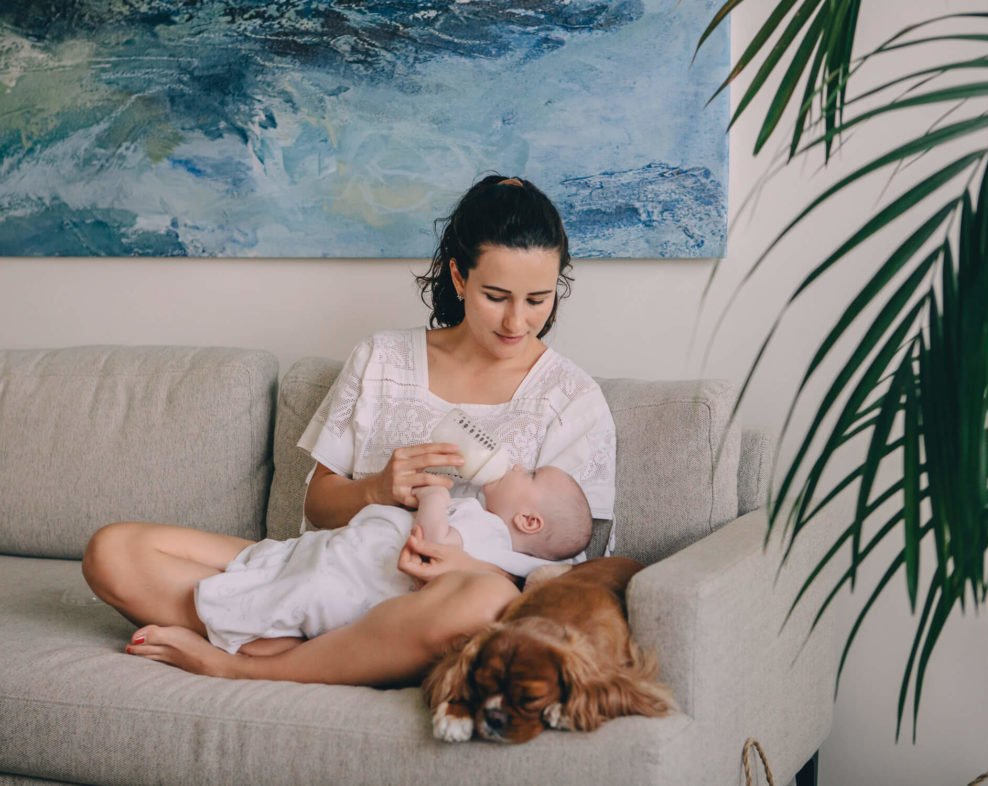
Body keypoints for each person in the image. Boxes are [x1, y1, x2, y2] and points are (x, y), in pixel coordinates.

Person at [82, 173, 617, 686]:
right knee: (112, 553)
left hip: (433, 606)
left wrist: (467, 566)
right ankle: (323, 646)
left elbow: (563, 570)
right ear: (459, 277)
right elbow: (318, 506)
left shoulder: (571, 398)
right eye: (496, 297)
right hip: (331, 567)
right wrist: (377, 489)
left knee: (483, 606)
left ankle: (244, 666)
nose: (517, 322)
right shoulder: (382, 358)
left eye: (538, 300)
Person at [194, 465, 592, 654]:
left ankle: (242, 630)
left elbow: (432, 544)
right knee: (292, 592)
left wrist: (434, 497)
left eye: (531, 474)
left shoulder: (490, 530)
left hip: (362, 581)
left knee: (292, 592)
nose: (519, 465)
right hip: (360, 577)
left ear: (528, 520)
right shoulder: (496, 542)